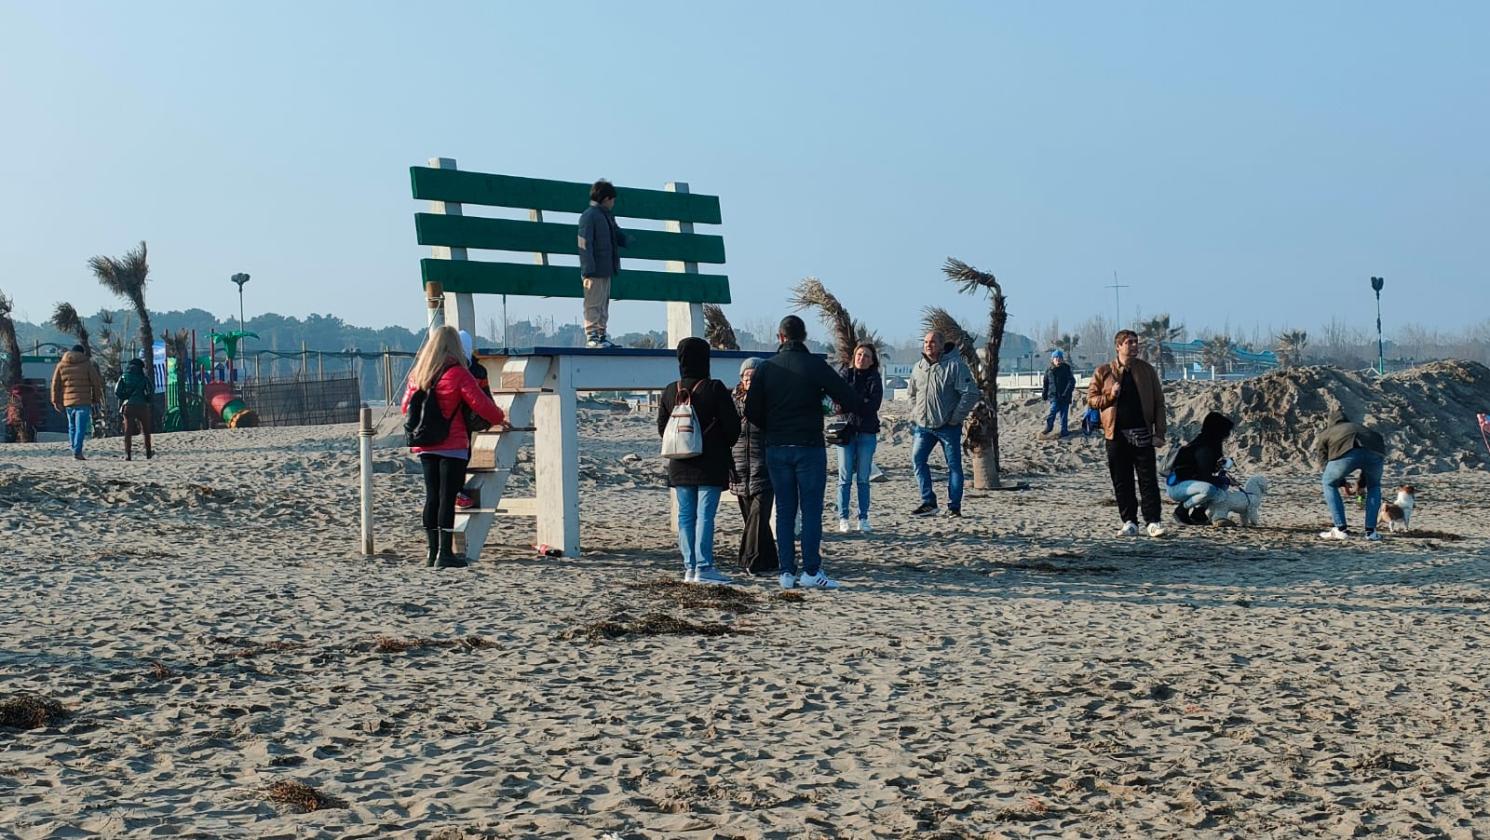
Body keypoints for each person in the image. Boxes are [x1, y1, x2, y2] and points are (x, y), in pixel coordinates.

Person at [744, 315, 864, 590]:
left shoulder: (766, 368)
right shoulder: (815, 365)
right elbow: (850, 399)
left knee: (785, 510)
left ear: (780, 337)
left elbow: (751, 410)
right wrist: (826, 404)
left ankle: (786, 572)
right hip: (809, 445)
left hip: (777, 446)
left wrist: (771, 426)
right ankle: (811, 570)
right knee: (810, 510)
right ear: (804, 336)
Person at [401, 326, 508, 569]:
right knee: (447, 499)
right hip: (452, 445)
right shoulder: (458, 372)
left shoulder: (418, 373)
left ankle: (431, 553)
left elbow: (405, 407)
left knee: (432, 496)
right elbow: (481, 404)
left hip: (425, 444)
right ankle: (445, 553)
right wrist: (500, 417)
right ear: (455, 347)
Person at [658, 338, 742, 584]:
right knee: (705, 515)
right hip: (710, 463)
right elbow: (732, 428)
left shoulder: (670, 390)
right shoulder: (714, 388)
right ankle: (704, 567)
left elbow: (663, 429)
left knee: (686, 515)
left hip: (680, 462)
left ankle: (690, 567)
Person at [1087, 330, 1168, 538]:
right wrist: (1110, 395)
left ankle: (1153, 522)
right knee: (1122, 481)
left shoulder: (1146, 370)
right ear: (1118, 346)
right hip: (1116, 435)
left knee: (1148, 480)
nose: (1134, 346)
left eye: (1135, 342)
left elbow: (1159, 402)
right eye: (1129, 342)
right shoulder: (1103, 372)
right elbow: (1092, 400)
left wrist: (1159, 432)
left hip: (1143, 433)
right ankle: (1129, 522)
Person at [906, 331, 979, 517]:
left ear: (941, 344)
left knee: (954, 466)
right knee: (918, 460)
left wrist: (956, 418)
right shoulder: (918, 367)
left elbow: (970, 393)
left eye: (932, 342)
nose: (928, 345)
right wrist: (916, 412)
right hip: (923, 427)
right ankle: (928, 502)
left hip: (948, 427)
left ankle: (954, 507)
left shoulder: (955, 366)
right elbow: (911, 393)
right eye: (925, 342)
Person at [731, 357, 777, 576]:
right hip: (739, 468)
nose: (748, 379)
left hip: (764, 467)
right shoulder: (732, 401)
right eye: (745, 375)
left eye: (753, 375)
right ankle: (770, 560)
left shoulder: (771, 401)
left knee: (757, 517)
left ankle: (749, 560)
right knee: (753, 519)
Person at [1315, 406, 1388, 541]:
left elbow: (1324, 463)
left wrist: (1341, 483)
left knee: (1328, 483)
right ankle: (1371, 532)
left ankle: (1340, 529)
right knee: (1374, 486)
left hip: (1348, 453)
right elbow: (1365, 453)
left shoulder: (1326, 433)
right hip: (1376, 451)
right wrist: (1361, 484)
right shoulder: (1358, 427)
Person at [834, 342, 884, 533]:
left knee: (863, 478)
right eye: (859, 354)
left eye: (866, 356)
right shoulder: (845, 374)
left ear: (872, 361)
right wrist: (858, 401)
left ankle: (863, 518)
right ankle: (843, 517)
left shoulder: (874, 378)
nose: (862, 358)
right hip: (845, 431)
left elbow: (873, 405)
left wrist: (853, 402)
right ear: (854, 356)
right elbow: (838, 400)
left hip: (866, 431)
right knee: (844, 476)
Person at [576, 179, 630, 349]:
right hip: (593, 270)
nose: (613, 203)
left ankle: (601, 335)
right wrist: (588, 268)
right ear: (606, 198)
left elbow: (616, 234)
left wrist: (627, 240)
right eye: (613, 200)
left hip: (606, 269)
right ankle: (592, 336)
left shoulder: (606, 216)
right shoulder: (589, 216)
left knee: (603, 304)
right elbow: (584, 243)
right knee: (593, 303)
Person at [1165, 411, 1234, 525]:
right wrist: (1224, 480)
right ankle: (1181, 510)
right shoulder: (1204, 449)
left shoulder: (1205, 444)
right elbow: (1205, 477)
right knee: (1209, 489)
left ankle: (1199, 513)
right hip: (1178, 486)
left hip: (1189, 483)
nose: (1227, 435)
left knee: (1221, 485)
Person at [454, 329, 492, 510]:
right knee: (462, 456)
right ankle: (457, 491)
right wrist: (493, 417)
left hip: (448, 421)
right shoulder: (477, 371)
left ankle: (456, 491)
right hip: (464, 421)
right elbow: (484, 398)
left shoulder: (442, 368)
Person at [50, 344, 103, 461]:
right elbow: (96, 383)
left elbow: (55, 384)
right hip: (84, 401)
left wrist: (55, 401)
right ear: (82, 353)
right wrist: (96, 399)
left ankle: (74, 449)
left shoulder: (61, 365)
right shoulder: (87, 364)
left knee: (72, 427)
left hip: (68, 402)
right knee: (81, 428)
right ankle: (77, 451)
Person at [114, 358, 155, 461]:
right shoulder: (143, 378)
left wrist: (125, 397)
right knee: (146, 430)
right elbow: (151, 390)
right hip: (142, 406)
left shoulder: (124, 377)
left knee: (128, 431)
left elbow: (117, 391)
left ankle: (128, 454)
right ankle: (148, 452)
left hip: (129, 406)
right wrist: (147, 399)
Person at [1040, 349, 1076, 439]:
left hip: (1065, 396)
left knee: (1064, 415)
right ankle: (1049, 427)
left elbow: (1071, 381)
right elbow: (1046, 383)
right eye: (1056, 358)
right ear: (1052, 359)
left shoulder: (1066, 368)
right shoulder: (1049, 370)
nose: (1058, 359)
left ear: (1062, 359)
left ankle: (1064, 431)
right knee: (1052, 411)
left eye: (1059, 358)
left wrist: (1066, 393)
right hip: (1054, 396)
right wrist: (1044, 394)